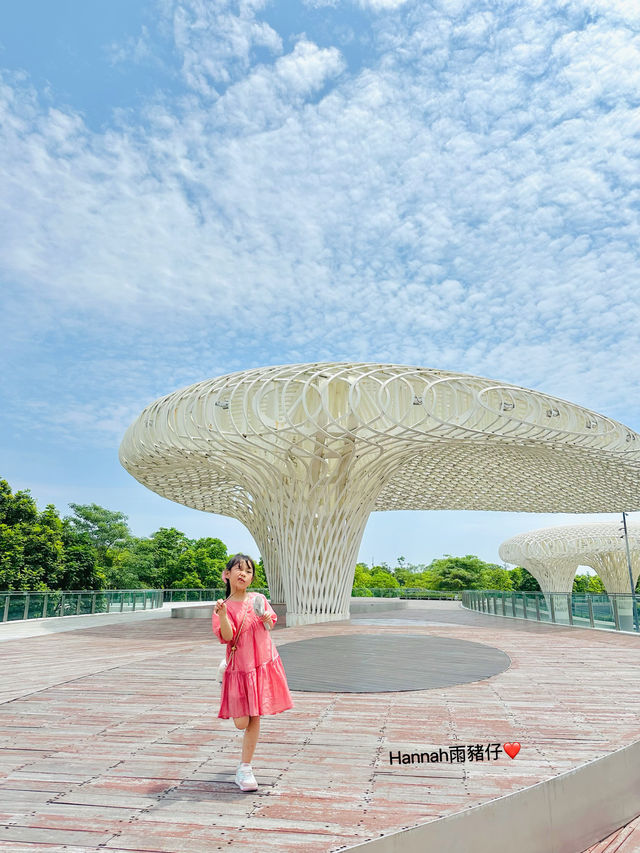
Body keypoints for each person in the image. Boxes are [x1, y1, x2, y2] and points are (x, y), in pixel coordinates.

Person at [212, 554, 293, 792]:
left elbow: (269, 625)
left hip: (260, 663)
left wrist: (267, 617)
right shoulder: (222, 607)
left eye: (248, 571)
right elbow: (226, 637)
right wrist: (224, 615)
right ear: (226, 575)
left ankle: (245, 768)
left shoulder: (259, 599)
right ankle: (223, 678)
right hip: (239, 667)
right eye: (238, 569)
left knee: (254, 715)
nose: (243, 574)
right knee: (240, 722)